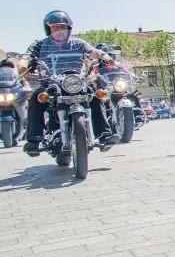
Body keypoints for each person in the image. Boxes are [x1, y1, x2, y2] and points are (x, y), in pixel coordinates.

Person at [22, 11, 117, 155]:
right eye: (55, 27)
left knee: (94, 95)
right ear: (49, 29)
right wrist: (25, 64)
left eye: (63, 27)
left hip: (76, 82)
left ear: (69, 28)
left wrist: (105, 57)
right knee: (37, 97)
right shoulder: (40, 44)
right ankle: (33, 140)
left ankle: (104, 135)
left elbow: (93, 51)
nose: (60, 30)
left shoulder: (78, 43)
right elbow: (26, 57)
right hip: (50, 83)